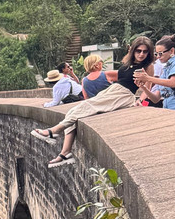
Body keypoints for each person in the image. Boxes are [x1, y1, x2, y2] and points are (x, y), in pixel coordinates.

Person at [31, 36, 155, 168]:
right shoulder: (128, 62)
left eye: (145, 51)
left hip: (123, 95)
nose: (141, 54)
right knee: (75, 110)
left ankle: (54, 130)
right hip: (113, 90)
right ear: (133, 50)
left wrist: (139, 101)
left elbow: (148, 87)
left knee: (87, 106)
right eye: (138, 50)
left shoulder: (147, 66)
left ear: (149, 53)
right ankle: (65, 153)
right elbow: (116, 76)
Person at [137, 34, 175, 114]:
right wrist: (143, 87)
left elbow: (173, 83)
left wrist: (148, 78)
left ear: (172, 51)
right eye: (156, 54)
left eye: (160, 53)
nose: (158, 57)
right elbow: (156, 98)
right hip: (168, 108)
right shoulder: (166, 68)